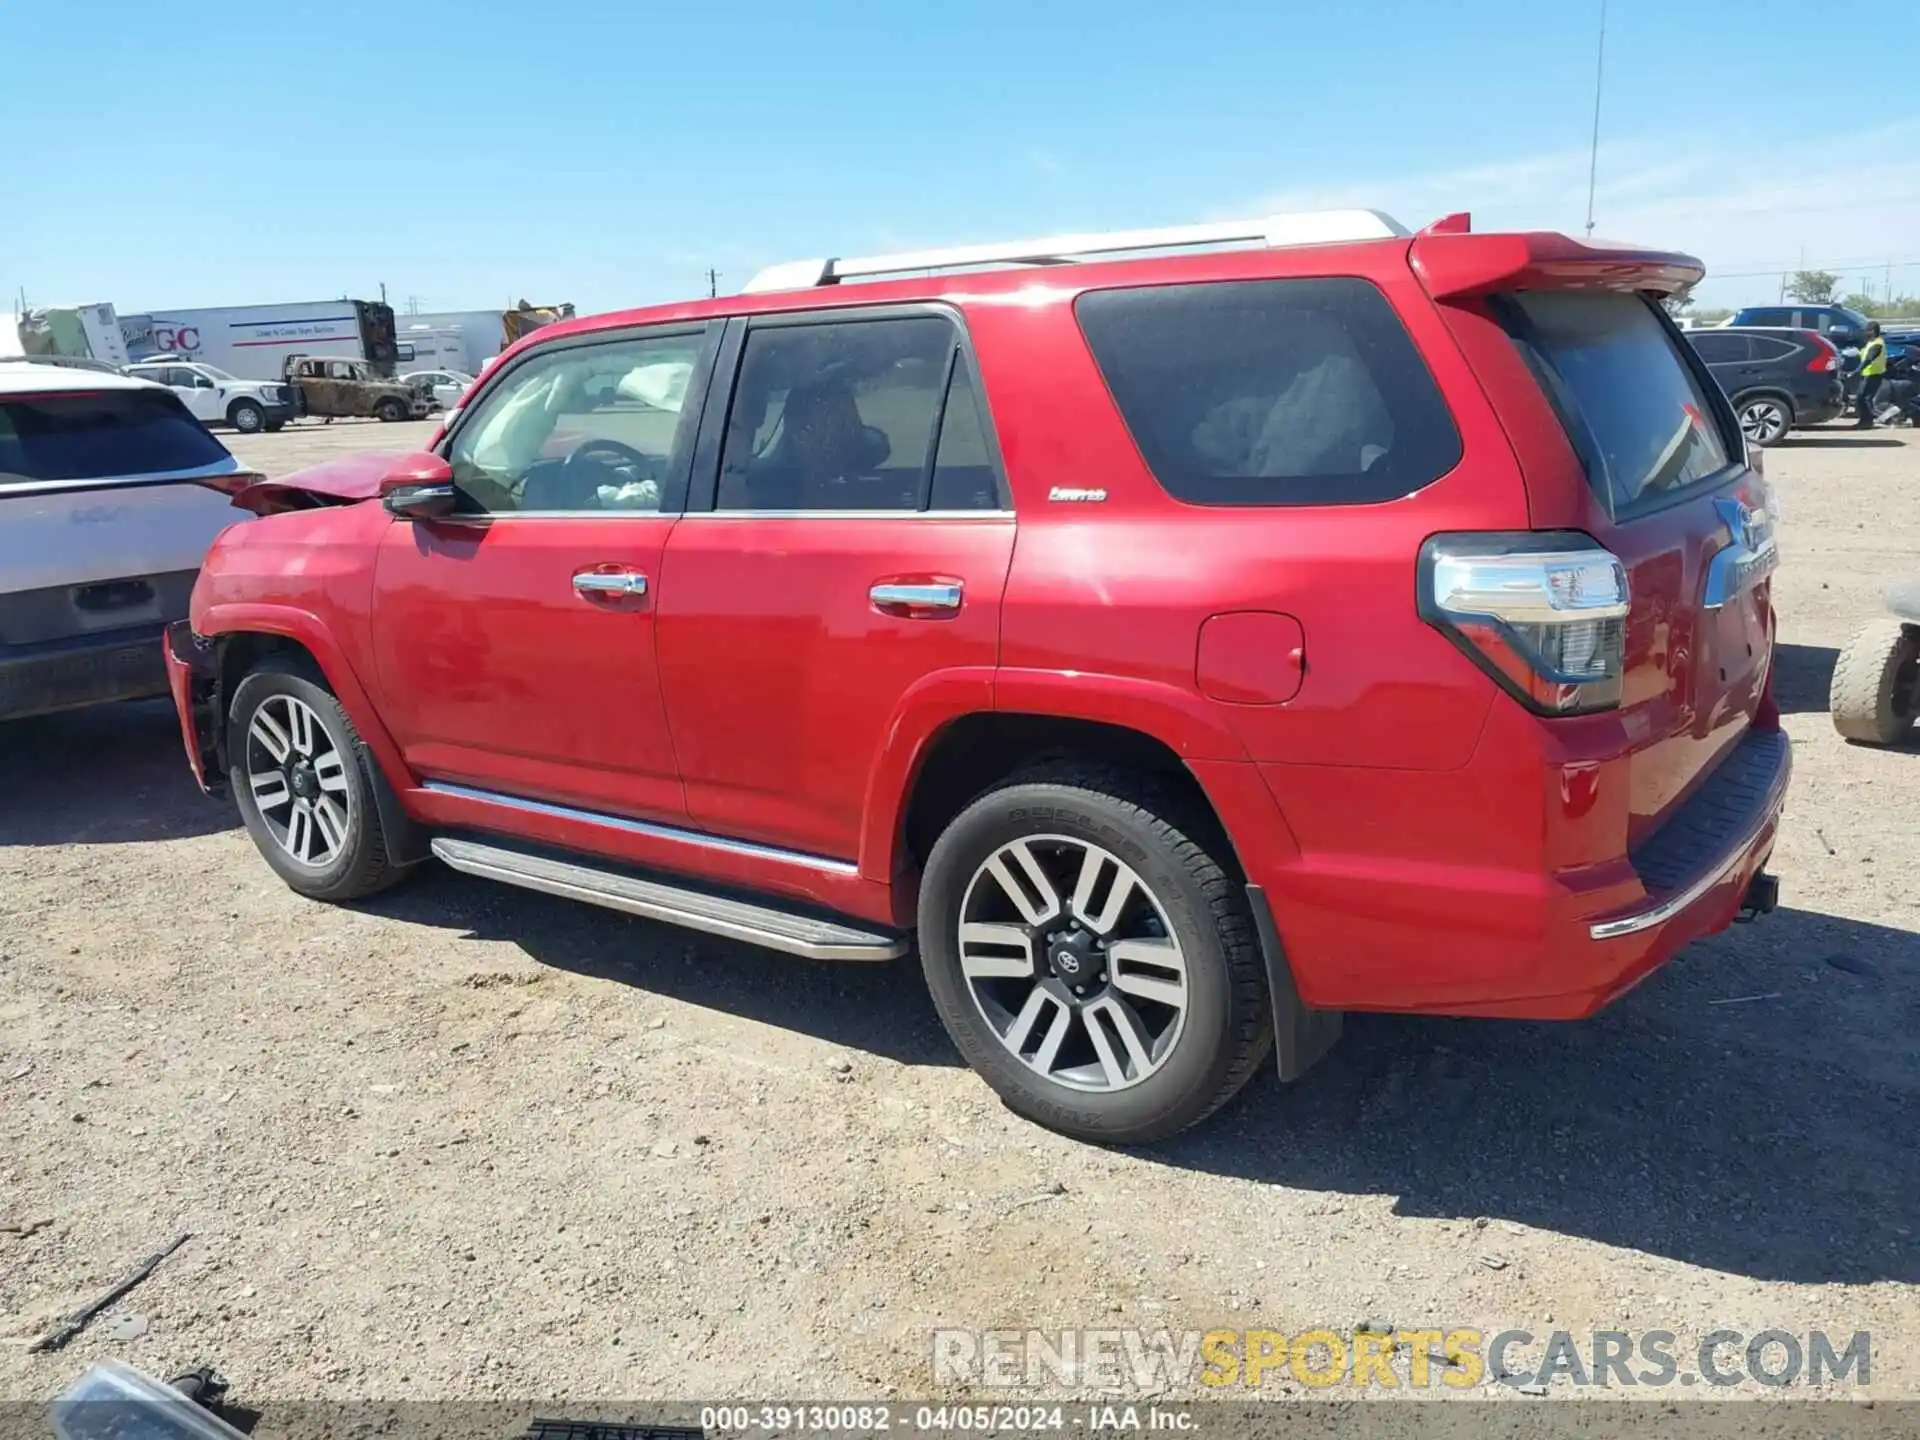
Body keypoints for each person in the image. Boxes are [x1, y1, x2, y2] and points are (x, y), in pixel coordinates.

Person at [1856, 322, 1889, 428]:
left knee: (1864, 398)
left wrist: (1855, 371)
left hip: (1873, 374)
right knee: (1862, 398)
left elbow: (1869, 359)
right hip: (1868, 373)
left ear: (1873, 331)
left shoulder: (1877, 344)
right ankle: (1865, 421)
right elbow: (1864, 355)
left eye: (1867, 331)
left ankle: (1867, 422)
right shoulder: (1871, 342)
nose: (1866, 333)